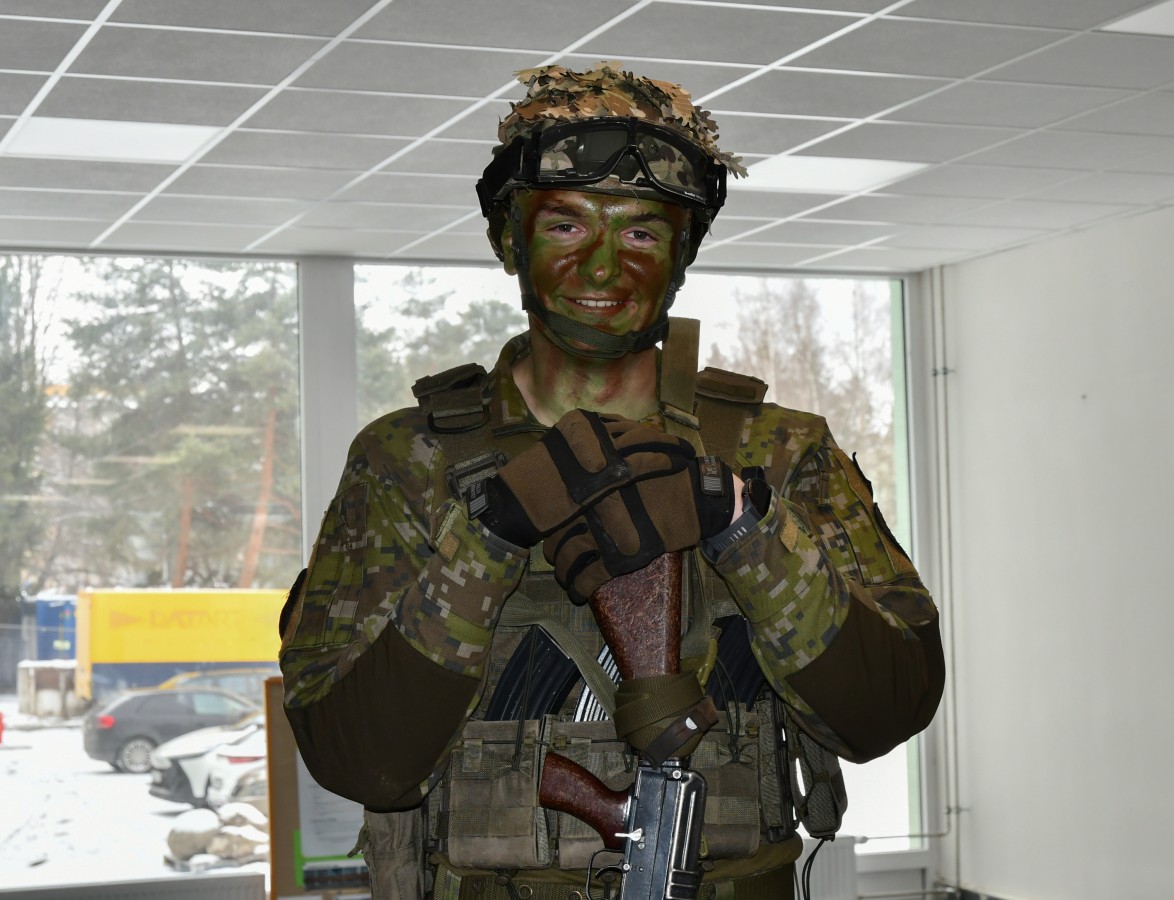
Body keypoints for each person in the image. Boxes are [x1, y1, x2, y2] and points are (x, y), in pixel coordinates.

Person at [279, 62, 944, 900]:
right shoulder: (408, 463)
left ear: (682, 254)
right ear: (509, 241)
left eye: (640, 234)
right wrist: (486, 539)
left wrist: (745, 526)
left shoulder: (779, 452)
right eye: (565, 226)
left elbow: (886, 713)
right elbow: (359, 759)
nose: (601, 271)